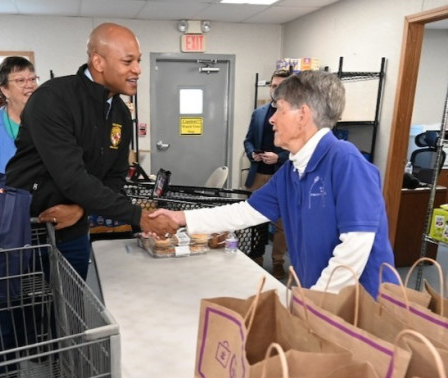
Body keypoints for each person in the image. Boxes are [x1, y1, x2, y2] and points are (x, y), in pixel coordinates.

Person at [149, 70, 396, 296]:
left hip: (360, 305)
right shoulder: (292, 170)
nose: (271, 119)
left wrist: (316, 301)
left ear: (303, 115)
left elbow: (356, 245)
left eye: (279, 109)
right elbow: (245, 212)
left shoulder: (345, 160)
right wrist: (182, 218)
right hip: (319, 296)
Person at [6, 22, 177, 277]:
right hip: (29, 230)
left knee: (70, 311)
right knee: (23, 314)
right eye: (128, 61)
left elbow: (115, 176)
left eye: (138, 61)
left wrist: (81, 210)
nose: (138, 70)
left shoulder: (119, 113)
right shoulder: (54, 98)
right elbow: (72, 178)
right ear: (98, 62)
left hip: (74, 231)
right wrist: (137, 215)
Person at [244, 67, 292, 279]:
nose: (276, 90)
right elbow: (248, 140)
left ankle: (278, 261)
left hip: (282, 175)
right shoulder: (259, 113)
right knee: (255, 220)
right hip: (258, 175)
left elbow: (299, 148)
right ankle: (256, 258)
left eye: (281, 86)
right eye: (273, 86)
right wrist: (252, 153)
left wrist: (279, 157)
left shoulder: (294, 114)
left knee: (281, 224)